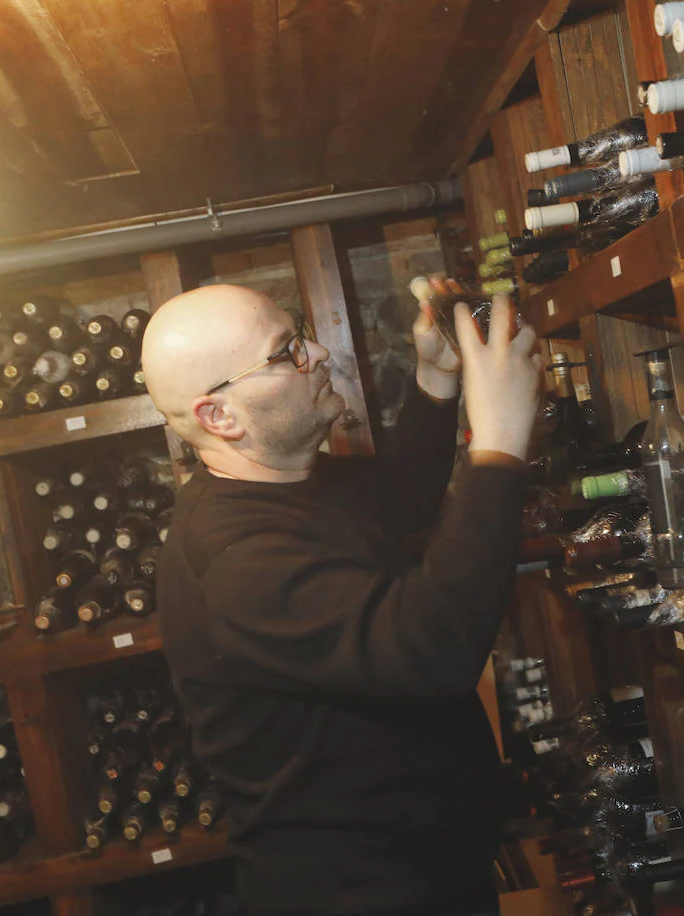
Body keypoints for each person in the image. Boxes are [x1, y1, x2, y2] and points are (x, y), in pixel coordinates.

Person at [141, 279, 542, 916]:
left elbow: (399, 498)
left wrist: (437, 382)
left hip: (421, 871)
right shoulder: (238, 560)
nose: (319, 354)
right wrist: (498, 445)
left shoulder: (289, 482)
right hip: (364, 895)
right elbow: (431, 651)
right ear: (219, 416)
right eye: (286, 353)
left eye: (300, 334)